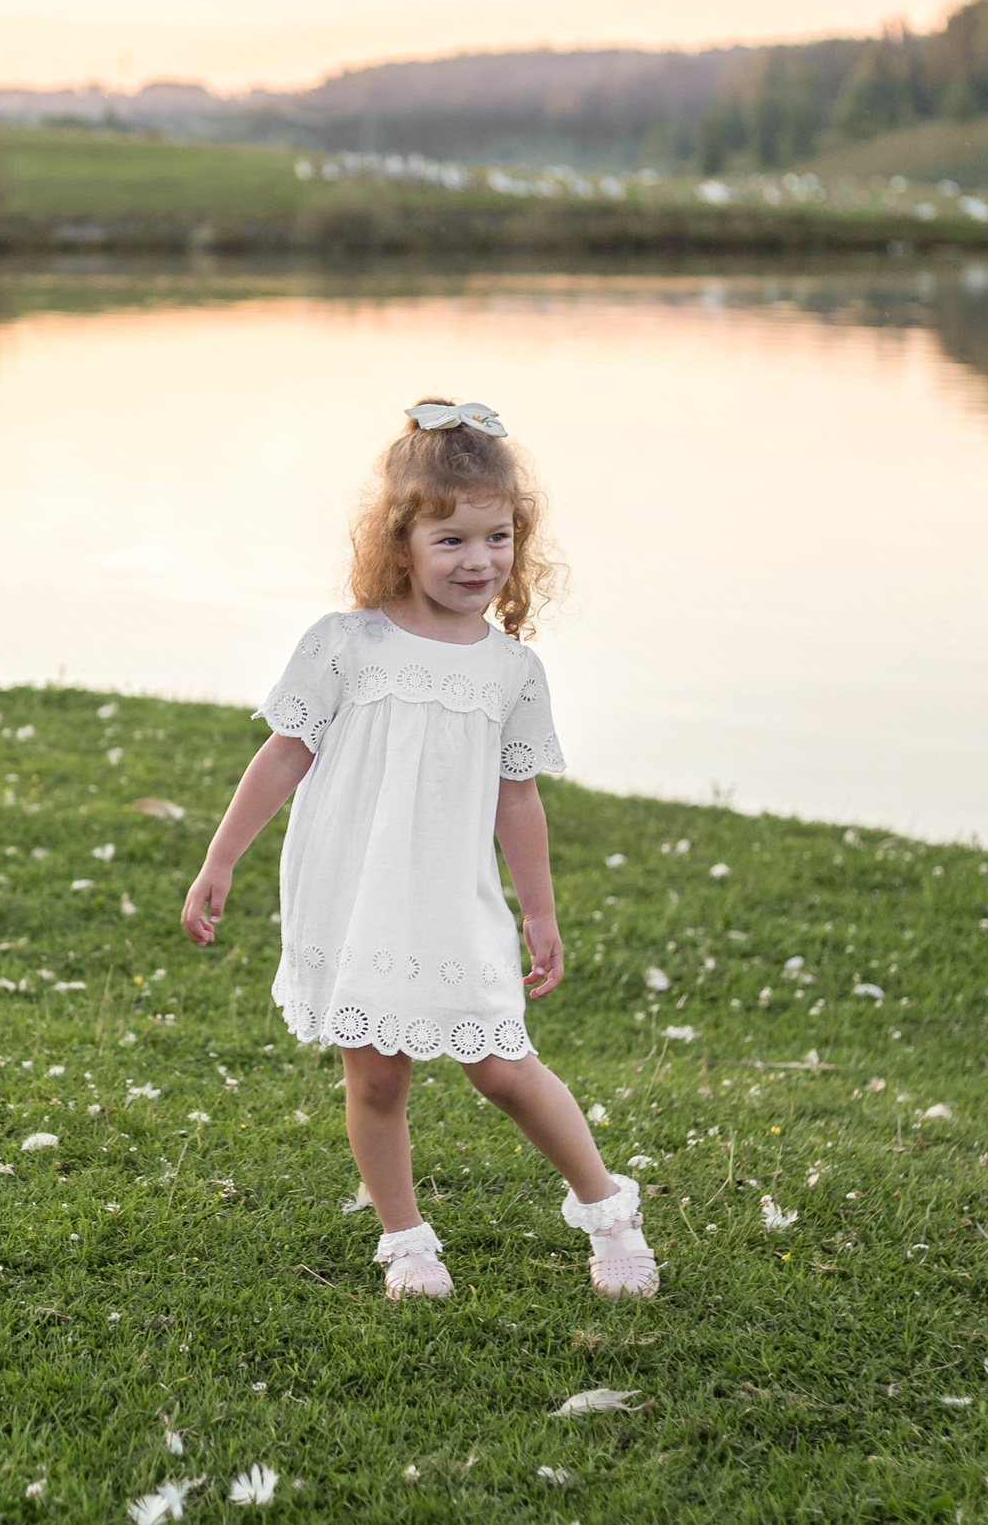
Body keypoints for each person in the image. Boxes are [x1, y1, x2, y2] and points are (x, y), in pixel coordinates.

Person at [180, 399, 655, 1301]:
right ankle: (404, 1239)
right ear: (400, 542)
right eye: (452, 540)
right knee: (376, 1076)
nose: (479, 560)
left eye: (498, 537)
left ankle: (607, 1207)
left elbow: (518, 797)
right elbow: (284, 752)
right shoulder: (345, 645)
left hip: (451, 895)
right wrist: (221, 858)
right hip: (353, 888)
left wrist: (540, 910)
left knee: (502, 1065)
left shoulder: (512, 671)